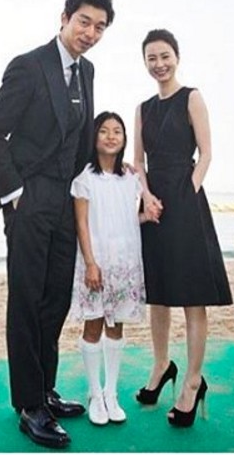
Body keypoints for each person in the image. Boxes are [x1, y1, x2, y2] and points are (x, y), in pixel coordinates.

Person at [0, 0, 115, 449]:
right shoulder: (28, 66)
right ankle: (28, 405)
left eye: (99, 27)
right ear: (64, 18)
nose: (90, 33)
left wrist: (109, 171)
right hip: (30, 198)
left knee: (55, 299)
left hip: (66, 200)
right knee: (27, 300)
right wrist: (15, 193)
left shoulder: (87, 71)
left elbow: (79, 139)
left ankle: (46, 390)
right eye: (84, 22)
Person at [133, 29, 233, 428]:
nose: (159, 64)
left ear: (177, 57)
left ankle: (192, 380)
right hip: (153, 204)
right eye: (151, 58)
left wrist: (186, 193)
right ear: (145, 62)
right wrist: (145, 196)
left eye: (165, 56)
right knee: (158, 294)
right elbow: (138, 162)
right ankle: (161, 366)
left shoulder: (192, 97)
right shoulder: (142, 108)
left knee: (192, 295)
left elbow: (206, 154)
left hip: (186, 202)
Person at [69, 111, 149, 426]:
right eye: (104, 131)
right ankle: (94, 394)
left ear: (124, 138)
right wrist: (90, 263)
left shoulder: (130, 179)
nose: (111, 136)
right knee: (93, 326)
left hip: (124, 263)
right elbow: (82, 224)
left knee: (117, 328)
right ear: (94, 137)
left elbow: (128, 218)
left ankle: (111, 393)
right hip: (96, 263)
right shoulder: (84, 179)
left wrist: (146, 216)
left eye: (117, 131)